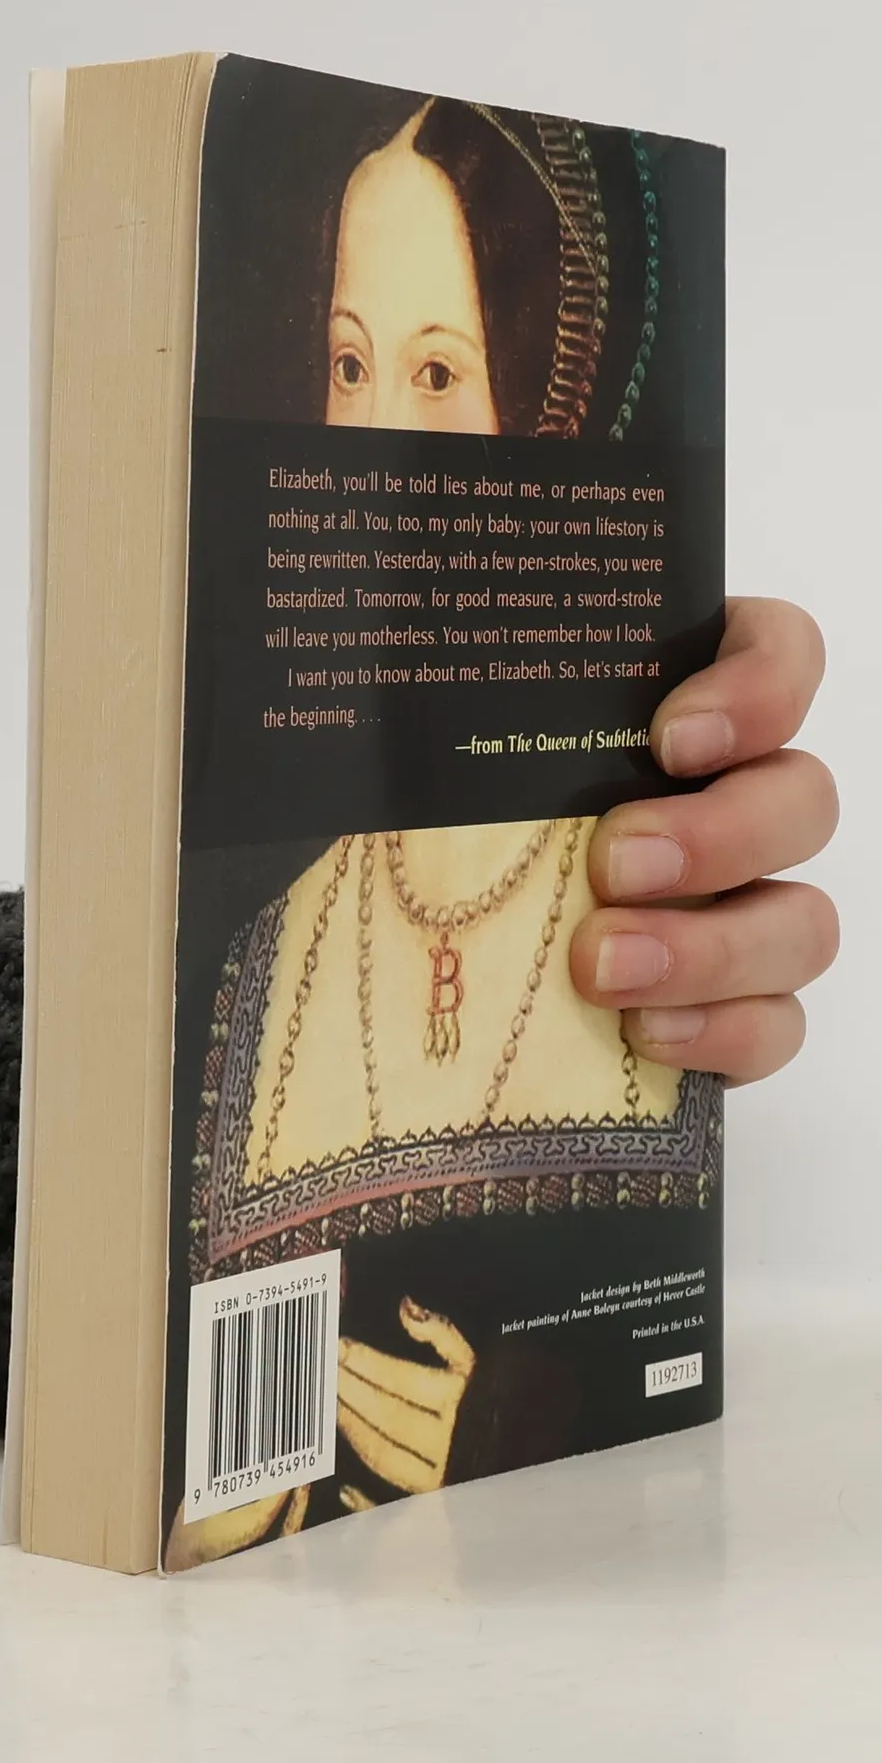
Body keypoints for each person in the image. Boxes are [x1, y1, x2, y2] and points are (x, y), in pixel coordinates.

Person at [164, 96, 839, 1567]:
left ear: (548, 415)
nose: (373, 448)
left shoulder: (646, 903)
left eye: (438, 373)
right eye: (349, 367)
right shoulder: (256, 946)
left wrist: (530, 1412)